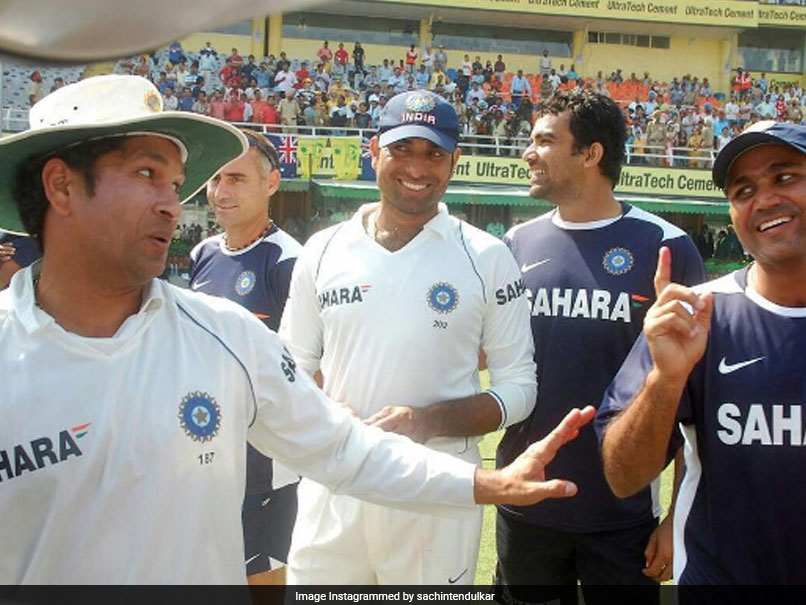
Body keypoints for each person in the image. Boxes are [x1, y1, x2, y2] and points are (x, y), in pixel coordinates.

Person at [0, 74, 594, 585]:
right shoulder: (320, 253)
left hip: (426, 509)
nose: (172, 205)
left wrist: (480, 477)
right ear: (60, 185)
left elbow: (339, 444)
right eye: (147, 173)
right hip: (332, 516)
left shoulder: (226, 338)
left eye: (175, 185)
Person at [279, 90, 539, 585]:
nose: (418, 167)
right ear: (374, 151)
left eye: (434, 154)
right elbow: (288, 366)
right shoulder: (322, 250)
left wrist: (429, 420)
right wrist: (330, 415)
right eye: (403, 149)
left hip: (438, 491)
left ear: (454, 162)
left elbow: (520, 388)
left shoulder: (487, 257)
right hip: (336, 483)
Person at [495, 91, 706, 605]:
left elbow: (695, 398)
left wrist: (677, 513)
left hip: (622, 514)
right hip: (525, 499)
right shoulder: (515, 245)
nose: (528, 152)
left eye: (545, 140)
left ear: (590, 154)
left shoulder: (666, 246)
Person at [597, 120, 806, 585]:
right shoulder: (698, 316)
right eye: (743, 189)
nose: (765, 199)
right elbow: (622, 476)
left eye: (785, 177)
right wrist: (665, 382)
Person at [189, 130, 302, 586]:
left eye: (236, 178)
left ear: (271, 183)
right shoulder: (203, 254)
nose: (221, 191)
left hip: (265, 465)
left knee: (262, 584)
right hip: (211, 456)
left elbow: (304, 371)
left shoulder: (289, 262)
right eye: (216, 179)